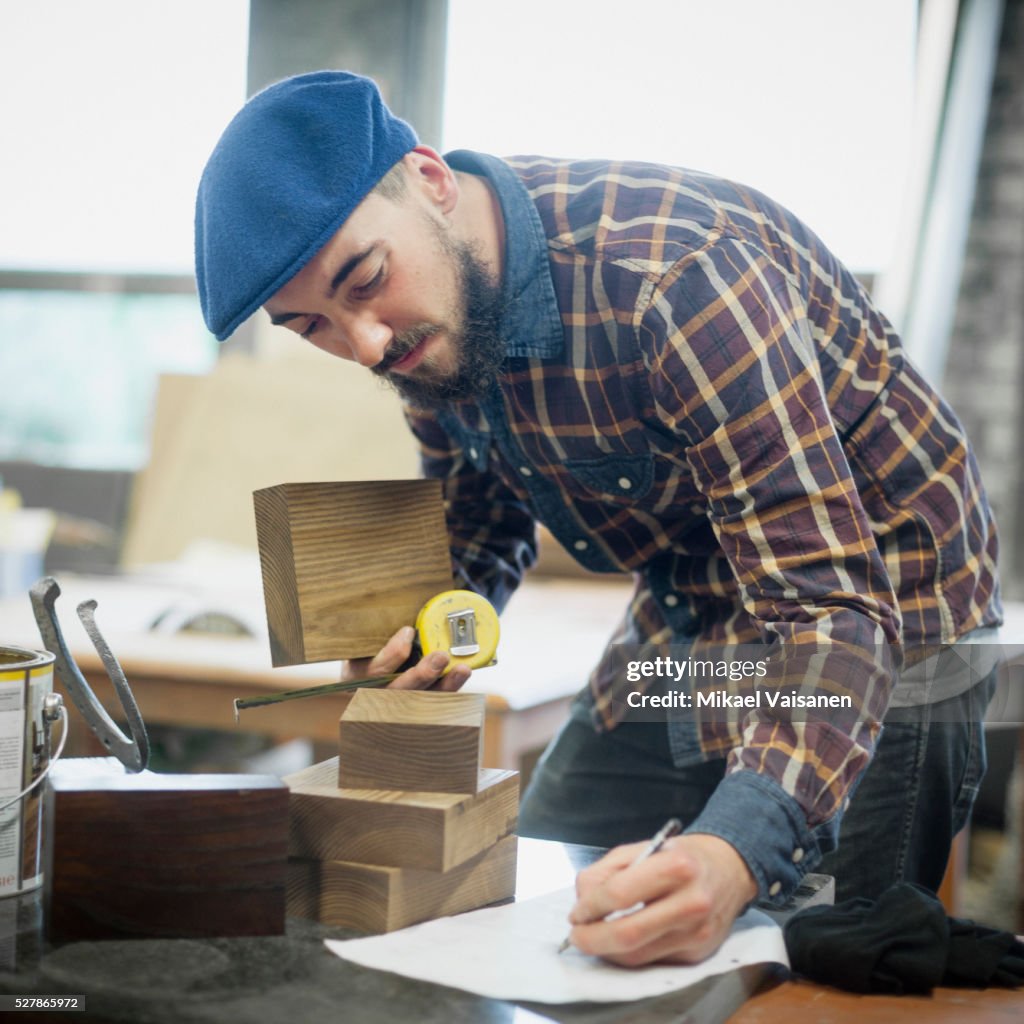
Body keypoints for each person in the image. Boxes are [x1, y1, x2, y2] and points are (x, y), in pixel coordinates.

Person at [195, 71, 1002, 966]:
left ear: (429, 181)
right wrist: (430, 626)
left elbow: (828, 610)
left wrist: (734, 849)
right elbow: (482, 520)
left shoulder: (676, 280)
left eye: (366, 280)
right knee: (543, 898)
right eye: (314, 326)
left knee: (825, 948)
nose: (369, 345)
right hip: (697, 585)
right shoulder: (423, 329)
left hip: (886, 597)